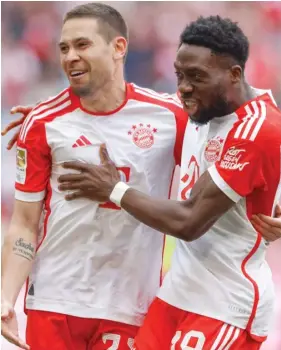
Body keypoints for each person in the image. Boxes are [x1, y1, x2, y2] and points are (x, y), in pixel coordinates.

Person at [2, 6, 281, 350]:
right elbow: (24, 223)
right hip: (80, 301)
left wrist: (114, 189)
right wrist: (52, 114)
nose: (185, 88)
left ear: (119, 48)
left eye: (83, 45)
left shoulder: (211, 122)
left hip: (178, 305)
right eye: (64, 48)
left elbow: (197, 212)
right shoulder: (47, 122)